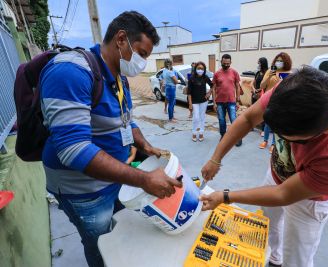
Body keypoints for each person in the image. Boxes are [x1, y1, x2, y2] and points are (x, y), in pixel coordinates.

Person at [39, 11, 182, 267]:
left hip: (116, 179)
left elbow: (126, 120)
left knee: (121, 238)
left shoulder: (118, 77)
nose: (143, 63)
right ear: (121, 39)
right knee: (101, 247)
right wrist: (144, 179)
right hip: (84, 192)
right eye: (142, 53)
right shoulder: (71, 71)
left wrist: (145, 146)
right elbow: (74, 149)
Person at [200, 66, 328, 267]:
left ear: (326, 130)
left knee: (297, 257)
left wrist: (225, 196)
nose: (280, 139)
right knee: (268, 226)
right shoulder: (293, 91)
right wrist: (216, 158)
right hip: (277, 172)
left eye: (291, 138)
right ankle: (274, 258)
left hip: (310, 200)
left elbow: (283, 195)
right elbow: (247, 118)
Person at [259, 52, 293, 152]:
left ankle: (274, 143)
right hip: (269, 100)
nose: (279, 62)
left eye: (281, 61)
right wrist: (269, 76)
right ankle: (265, 140)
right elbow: (262, 86)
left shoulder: (288, 73)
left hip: (281, 102)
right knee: (267, 123)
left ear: (286, 62)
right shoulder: (270, 71)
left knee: (276, 124)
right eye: (277, 60)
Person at [212, 54, 242, 146]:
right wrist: (214, 103)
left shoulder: (234, 72)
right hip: (219, 102)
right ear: (221, 62)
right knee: (221, 120)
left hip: (231, 101)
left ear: (230, 63)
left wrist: (237, 100)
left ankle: (237, 138)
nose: (226, 65)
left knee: (234, 120)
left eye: (228, 63)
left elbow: (237, 86)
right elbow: (213, 88)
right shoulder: (217, 74)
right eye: (224, 63)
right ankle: (223, 135)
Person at [188, 61, 213, 142]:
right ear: (195, 69)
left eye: (202, 69)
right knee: (196, 117)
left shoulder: (205, 77)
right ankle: (194, 133)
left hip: (203, 101)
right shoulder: (191, 78)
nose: (200, 70)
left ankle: (201, 133)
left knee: (202, 117)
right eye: (198, 68)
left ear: (204, 70)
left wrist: (209, 93)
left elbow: (213, 85)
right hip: (195, 101)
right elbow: (189, 93)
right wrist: (190, 104)